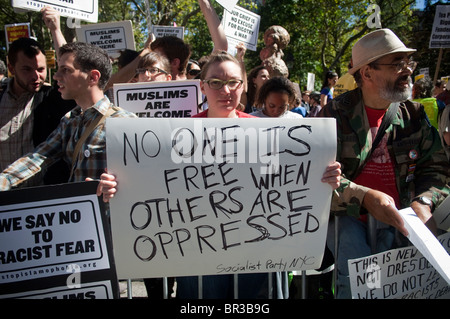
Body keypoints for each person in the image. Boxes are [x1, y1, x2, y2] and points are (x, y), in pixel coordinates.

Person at [96, 51, 342, 298]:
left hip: (256, 253)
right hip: (199, 257)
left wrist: (323, 176)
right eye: (216, 83)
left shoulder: (268, 132)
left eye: (233, 82)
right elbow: (149, 182)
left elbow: (288, 180)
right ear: (202, 87)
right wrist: (116, 185)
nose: (226, 90)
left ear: (243, 86)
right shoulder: (176, 135)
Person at [319, 28, 450, 299]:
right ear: (366, 73)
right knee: (361, 285)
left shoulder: (414, 116)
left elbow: (436, 167)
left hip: (402, 220)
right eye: (396, 64)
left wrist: (424, 203)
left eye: (407, 62)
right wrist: (365, 198)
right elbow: (315, 175)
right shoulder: (333, 115)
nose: (407, 71)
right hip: (348, 221)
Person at [0, 42, 136, 191]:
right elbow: (38, 157)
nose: (56, 76)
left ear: (92, 77)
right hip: (80, 212)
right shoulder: (70, 121)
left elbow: (145, 177)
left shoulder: (126, 122)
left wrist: (118, 186)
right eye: (58, 69)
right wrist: (4, 180)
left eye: (65, 70)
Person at [0, 36, 76, 187]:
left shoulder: (51, 99)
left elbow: (72, 72)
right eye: (27, 69)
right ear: (11, 69)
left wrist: (55, 29)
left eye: (41, 69)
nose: (36, 76)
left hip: (42, 198)